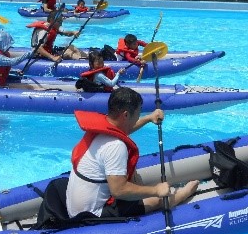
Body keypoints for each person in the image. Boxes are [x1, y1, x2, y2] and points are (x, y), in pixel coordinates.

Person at [66, 87, 199, 218]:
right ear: (126, 115)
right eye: (138, 113)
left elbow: (124, 129)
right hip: (90, 214)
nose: (138, 116)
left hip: (77, 205)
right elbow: (118, 190)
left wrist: (148, 118)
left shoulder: (104, 126)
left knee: (132, 174)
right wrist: (156, 190)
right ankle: (183, 194)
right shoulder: (115, 146)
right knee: (156, 200)